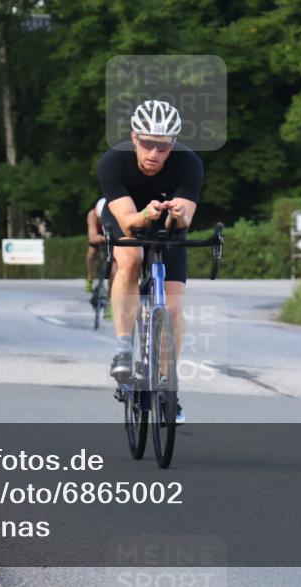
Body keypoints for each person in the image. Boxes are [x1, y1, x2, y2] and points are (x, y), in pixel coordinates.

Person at [97, 100, 202, 424]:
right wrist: (145, 213)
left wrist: (175, 217)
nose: (155, 153)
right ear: (134, 137)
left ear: (174, 144)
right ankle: (124, 348)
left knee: (172, 308)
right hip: (126, 216)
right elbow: (129, 222)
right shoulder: (113, 162)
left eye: (164, 146)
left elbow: (182, 224)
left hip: (165, 224)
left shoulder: (189, 164)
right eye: (147, 143)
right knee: (130, 258)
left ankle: (169, 387)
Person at [85, 198, 107, 292]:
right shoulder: (92, 215)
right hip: (98, 233)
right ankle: (90, 276)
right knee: (91, 253)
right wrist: (103, 238)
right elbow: (92, 238)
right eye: (100, 218)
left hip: (108, 231)